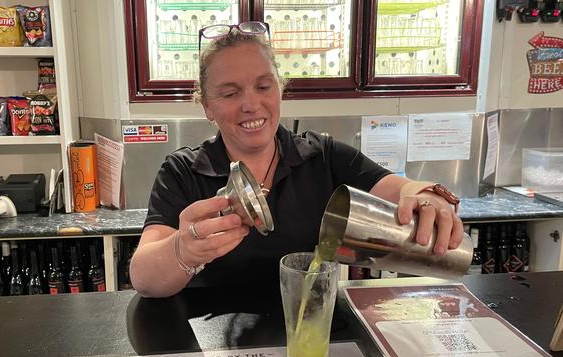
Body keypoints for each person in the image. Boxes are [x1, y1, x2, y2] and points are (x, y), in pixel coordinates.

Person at [130, 22, 464, 298]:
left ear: (280, 90)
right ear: (207, 107)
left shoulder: (323, 157)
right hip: (213, 344)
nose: (250, 104)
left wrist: (428, 194)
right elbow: (144, 279)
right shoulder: (182, 171)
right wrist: (183, 250)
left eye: (263, 86)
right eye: (230, 93)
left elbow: (402, 188)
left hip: (310, 329)